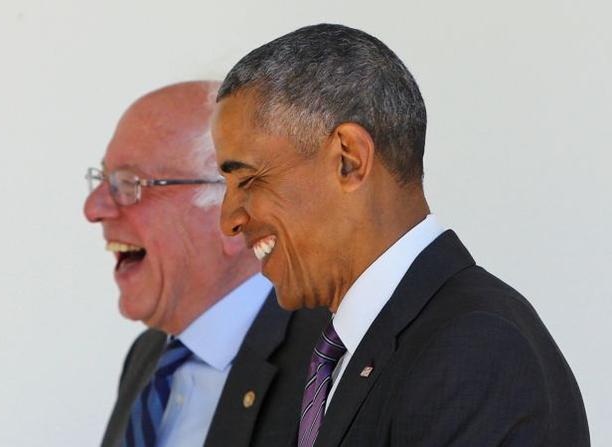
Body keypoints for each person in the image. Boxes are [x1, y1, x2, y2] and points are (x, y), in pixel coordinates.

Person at [212, 24, 590, 446]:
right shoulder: (341, 350)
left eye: (248, 180)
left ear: (349, 160)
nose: (229, 220)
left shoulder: (475, 348)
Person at [84, 81, 328, 447]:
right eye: (103, 178)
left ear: (233, 211)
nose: (94, 208)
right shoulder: (148, 354)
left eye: (129, 183)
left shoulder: (326, 364)